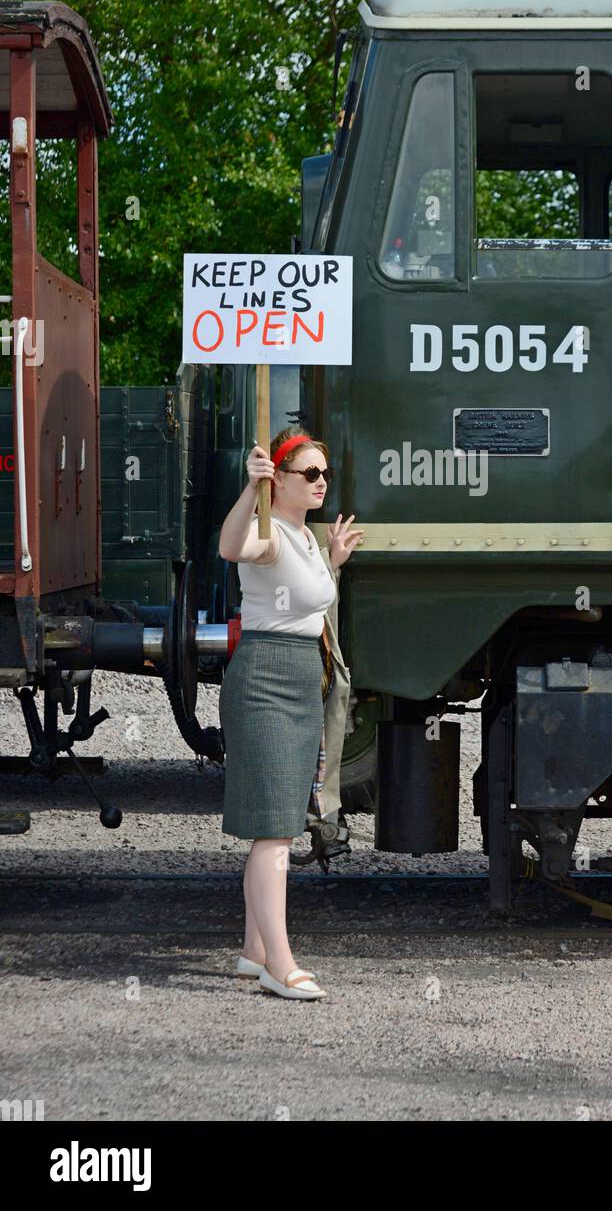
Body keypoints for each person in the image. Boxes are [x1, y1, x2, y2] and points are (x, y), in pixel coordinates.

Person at [218, 428, 363, 1000]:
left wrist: (333, 561)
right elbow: (232, 549)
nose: (322, 482)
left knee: (278, 821)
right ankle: (281, 963)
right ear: (278, 479)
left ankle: (254, 951)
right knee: (274, 831)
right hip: (265, 680)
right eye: (309, 474)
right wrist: (247, 490)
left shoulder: (304, 537)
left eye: (324, 473)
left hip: (303, 678)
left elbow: (307, 601)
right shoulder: (268, 532)